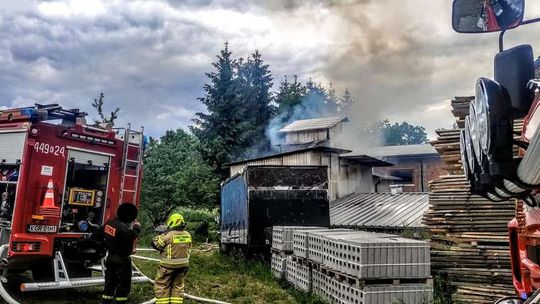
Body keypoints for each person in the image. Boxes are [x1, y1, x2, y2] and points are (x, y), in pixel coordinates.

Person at [92, 203, 141, 304]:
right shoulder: (124, 229)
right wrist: (137, 227)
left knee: (110, 282)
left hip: (110, 258)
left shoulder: (109, 223)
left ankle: (106, 300)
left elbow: (97, 234)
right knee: (123, 283)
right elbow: (132, 236)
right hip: (122, 260)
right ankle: (120, 301)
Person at [152, 213, 192, 304]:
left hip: (167, 267)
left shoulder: (168, 235)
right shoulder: (188, 235)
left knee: (162, 285)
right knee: (178, 286)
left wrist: (162, 235)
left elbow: (156, 245)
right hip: (183, 266)